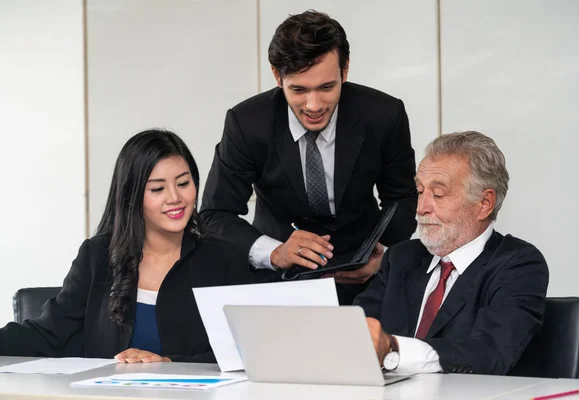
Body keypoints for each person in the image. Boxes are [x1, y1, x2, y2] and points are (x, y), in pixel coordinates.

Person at [200, 10, 417, 305]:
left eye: (327, 87)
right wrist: (274, 253)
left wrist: (382, 254)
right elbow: (215, 214)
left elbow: (402, 198)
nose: (314, 105)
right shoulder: (247, 123)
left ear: (345, 70)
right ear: (278, 76)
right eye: (298, 90)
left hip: (365, 280)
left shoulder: (383, 116)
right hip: (275, 279)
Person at [0, 129, 249, 362]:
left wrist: (168, 364)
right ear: (131, 195)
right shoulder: (97, 255)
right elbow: (47, 333)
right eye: (158, 188)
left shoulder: (224, 259)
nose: (175, 198)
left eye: (183, 183)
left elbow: (241, 351)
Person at [356, 131, 549, 375]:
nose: (421, 208)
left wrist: (394, 348)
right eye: (420, 191)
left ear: (484, 203)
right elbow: (356, 332)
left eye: (438, 194)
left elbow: (490, 354)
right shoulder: (401, 258)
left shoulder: (518, 264)